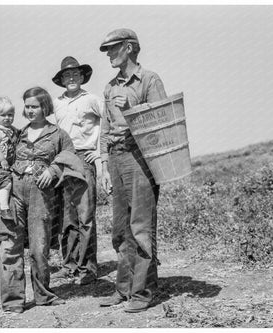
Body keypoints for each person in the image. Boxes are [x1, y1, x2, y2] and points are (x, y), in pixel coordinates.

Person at [0, 87, 87, 313]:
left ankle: (43, 295)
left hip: (42, 196)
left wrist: (52, 171)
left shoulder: (58, 134)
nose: (30, 111)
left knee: (39, 246)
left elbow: (69, 157)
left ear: (45, 107)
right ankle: (13, 301)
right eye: (27, 106)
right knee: (10, 244)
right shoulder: (16, 134)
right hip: (14, 191)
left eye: (35, 106)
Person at [98, 28, 168, 313]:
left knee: (140, 227)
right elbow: (104, 129)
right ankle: (124, 288)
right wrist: (103, 164)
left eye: (113, 49)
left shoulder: (150, 80)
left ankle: (142, 292)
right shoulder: (110, 86)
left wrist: (131, 110)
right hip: (116, 159)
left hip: (141, 158)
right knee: (120, 230)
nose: (109, 55)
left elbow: (161, 126)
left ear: (129, 48)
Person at [51, 56, 102, 285]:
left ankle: (88, 269)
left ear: (82, 77)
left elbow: (109, 122)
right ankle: (69, 265)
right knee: (67, 217)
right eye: (66, 75)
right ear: (62, 80)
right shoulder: (56, 103)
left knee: (86, 216)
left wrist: (100, 152)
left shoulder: (92, 99)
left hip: (84, 157)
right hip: (63, 159)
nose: (71, 78)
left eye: (75, 74)